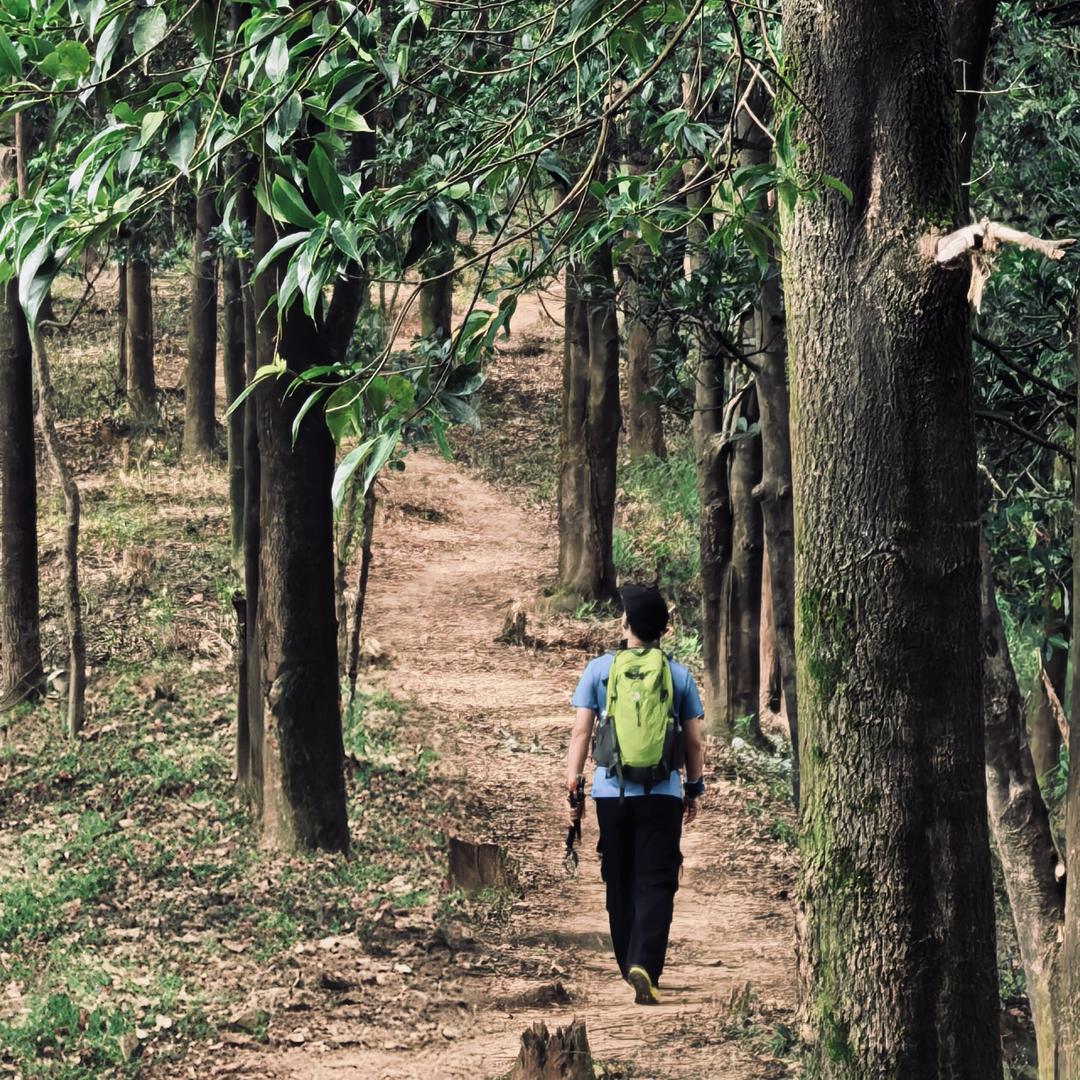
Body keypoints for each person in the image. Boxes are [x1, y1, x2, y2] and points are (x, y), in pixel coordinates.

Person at [565, 584, 705, 1006]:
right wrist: (694, 787)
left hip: (611, 792)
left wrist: (573, 779)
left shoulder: (598, 671)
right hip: (662, 793)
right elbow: (695, 743)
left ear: (626, 624)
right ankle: (647, 962)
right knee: (657, 879)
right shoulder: (678, 675)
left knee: (619, 876)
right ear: (663, 629)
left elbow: (581, 731)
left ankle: (629, 963)